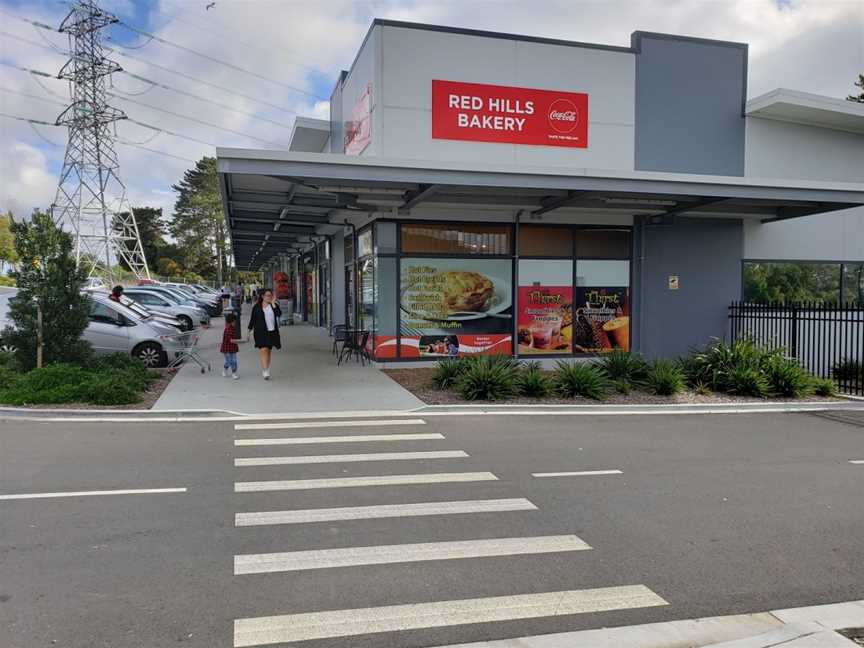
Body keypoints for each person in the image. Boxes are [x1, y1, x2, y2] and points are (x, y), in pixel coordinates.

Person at [247, 288, 281, 380]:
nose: (269, 297)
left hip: (272, 332)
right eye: (268, 295)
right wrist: (249, 330)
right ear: (262, 296)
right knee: (263, 350)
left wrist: (273, 303)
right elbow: (252, 319)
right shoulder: (256, 307)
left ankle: (267, 368)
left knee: (268, 351)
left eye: (271, 295)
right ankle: (265, 370)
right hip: (260, 332)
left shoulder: (273, 306)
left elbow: (279, 314)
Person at [220, 312, 244, 380]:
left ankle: (234, 373)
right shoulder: (228, 329)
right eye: (234, 321)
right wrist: (242, 341)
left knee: (234, 361)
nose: (235, 323)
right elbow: (231, 340)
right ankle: (225, 369)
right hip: (227, 348)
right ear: (232, 321)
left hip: (232, 347)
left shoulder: (232, 328)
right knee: (229, 361)